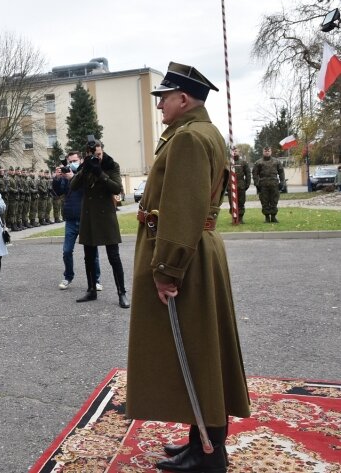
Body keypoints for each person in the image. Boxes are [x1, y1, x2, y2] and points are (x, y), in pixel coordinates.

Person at [127, 62, 250, 473]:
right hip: (200, 252)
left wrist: (167, 271)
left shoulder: (188, 140)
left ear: (184, 99)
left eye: (164, 97)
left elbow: (182, 210)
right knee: (201, 353)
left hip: (188, 259)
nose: (160, 104)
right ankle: (200, 441)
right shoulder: (205, 133)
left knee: (198, 353)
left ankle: (210, 454)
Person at [72, 141, 129, 309]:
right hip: (89, 217)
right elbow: (73, 186)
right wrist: (84, 169)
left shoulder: (111, 165)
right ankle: (91, 290)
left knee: (114, 257)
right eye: (94, 155)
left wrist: (100, 173)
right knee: (88, 257)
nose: (97, 157)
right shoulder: (86, 166)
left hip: (106, 217)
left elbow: (117, 188)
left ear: (102, 151)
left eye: (99, 154)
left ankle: (122, 293)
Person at [53, 151, 100, 292]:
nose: (72, 163)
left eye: (75, 160)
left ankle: (96, 280)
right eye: (70, 161)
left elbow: (89, 190)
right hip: (71, 219)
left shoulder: (86, 173)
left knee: (92, 253)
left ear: (80, 161)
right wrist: (57, 178)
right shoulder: (65, 175)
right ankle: (68, 277)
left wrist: (74, 177)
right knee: (67, 251)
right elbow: (57, 192)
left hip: (86, 218)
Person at [252, 146, 285, 223]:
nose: (267, 152)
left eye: (268, 151)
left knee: (274, 201)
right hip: (263, 185)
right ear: (263, 152)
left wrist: (282, 181)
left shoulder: (276, 161)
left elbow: (281, 172)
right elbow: (254, 174)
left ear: (271, 152)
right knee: (264, 201)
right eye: (265, 151)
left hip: (274, 184)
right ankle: (267, 217)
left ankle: (273, 217)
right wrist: (257, 184)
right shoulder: (258, 162)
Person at [227, 146, 251, 223]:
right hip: (231, 187)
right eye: (233, 151)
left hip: (241, 186)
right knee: (232, 203)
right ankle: (234, 218)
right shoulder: (228, 163)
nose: (234, 152)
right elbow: (224, 175)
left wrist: (247, 184)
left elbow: (248, 174)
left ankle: (240, 218)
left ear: (239, 152)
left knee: (241, 202)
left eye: (236, 151)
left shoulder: (243, 163)